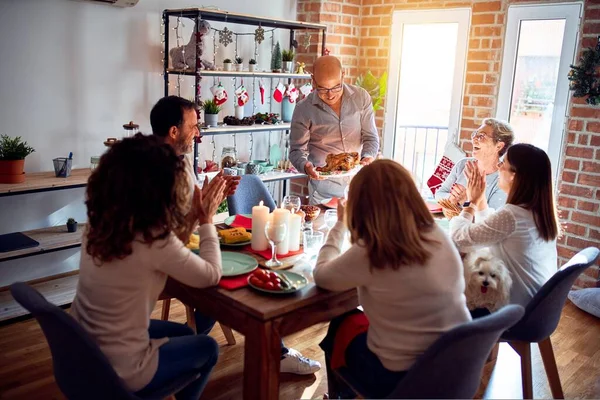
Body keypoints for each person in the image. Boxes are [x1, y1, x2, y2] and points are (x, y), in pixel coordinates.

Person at [150, 95, 321, 375]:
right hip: (168, 257)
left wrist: (209, 198)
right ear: (173, 131)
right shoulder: (156, 170)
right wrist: (204, 213)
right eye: (194, 126)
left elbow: (184, 212)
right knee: (230, 279)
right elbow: (169, 224)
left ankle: (194, 338)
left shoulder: (179, 161)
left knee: (232, 269)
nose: (198, 133)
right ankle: (274, 353)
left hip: (179, 245)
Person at [71, 134, 228, 399]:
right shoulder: (154, 239)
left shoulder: (102, 223)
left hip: (84, 350)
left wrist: (194, 217)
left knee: (183, 333)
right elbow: (211, 275)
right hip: (123, 369)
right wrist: (206, 219)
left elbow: (167, 248)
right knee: (208, 348)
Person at [314, 160, 471, 398]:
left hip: (403, 380)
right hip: (454, 367)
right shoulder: (437, 233)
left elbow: (322, 276)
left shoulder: (374, 249)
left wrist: (339, 225)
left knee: (341, 322)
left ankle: (341, 396)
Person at [450, 143, 560, 308]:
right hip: (536, 307)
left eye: (502, 164)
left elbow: (459, 240)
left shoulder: (512, 215)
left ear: (514, 176)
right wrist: (480, 201)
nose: (498, 167)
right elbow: (491, 232)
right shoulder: (536, 211)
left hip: (511, 311)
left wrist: (470, 203)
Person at [290, 55, 380, 205]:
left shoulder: (361, 98)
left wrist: (368, 157)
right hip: (324, 192)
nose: (330, 94)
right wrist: (306, 167)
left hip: (359, 188)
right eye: (323, 89)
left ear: (343, 75)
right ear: (313, 80)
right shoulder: (303, 109)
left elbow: (371, 137)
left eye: (336, 87)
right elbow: (296, 151)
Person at [435, 118, 514, 211]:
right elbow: (439, 193)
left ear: (499, 146)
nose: (473, 139)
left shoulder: (503, 178)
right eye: (475, 134)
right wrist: (452, 198)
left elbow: (491, 220)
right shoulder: (463, 164)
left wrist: (467, 201)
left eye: (481, 136)